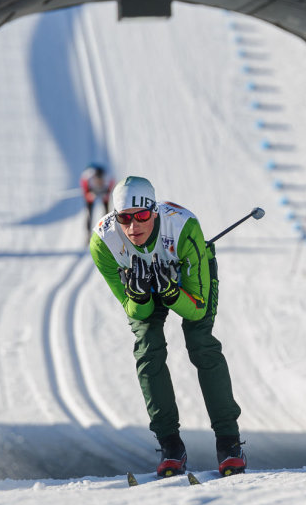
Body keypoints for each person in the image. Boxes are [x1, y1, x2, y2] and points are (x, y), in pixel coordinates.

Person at [89, 176, 246, 478]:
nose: (133, 227)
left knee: (201, 343)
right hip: (147, 289)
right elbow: (136, 311)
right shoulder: (102, 242)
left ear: (154, 211)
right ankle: (170, 445)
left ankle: (229, 442)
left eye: (142, 216)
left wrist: (172, 292)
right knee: (148, 348)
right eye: (124, 218)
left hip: (187, 283)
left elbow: (197, 307)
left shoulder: (184, 227)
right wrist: (137, 295)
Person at [80, 164, 115, 234]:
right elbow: (83, 184)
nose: (99, 181)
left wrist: (107, 193)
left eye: (100, 180)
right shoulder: (87, 177)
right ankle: (88, 231)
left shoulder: (108, 177)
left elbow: (112, 185)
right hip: (91, 190)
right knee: (89, 212)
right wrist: (87, 193)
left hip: (103, 190)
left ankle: (107, 229)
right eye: (97, 180)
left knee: (107, 213)